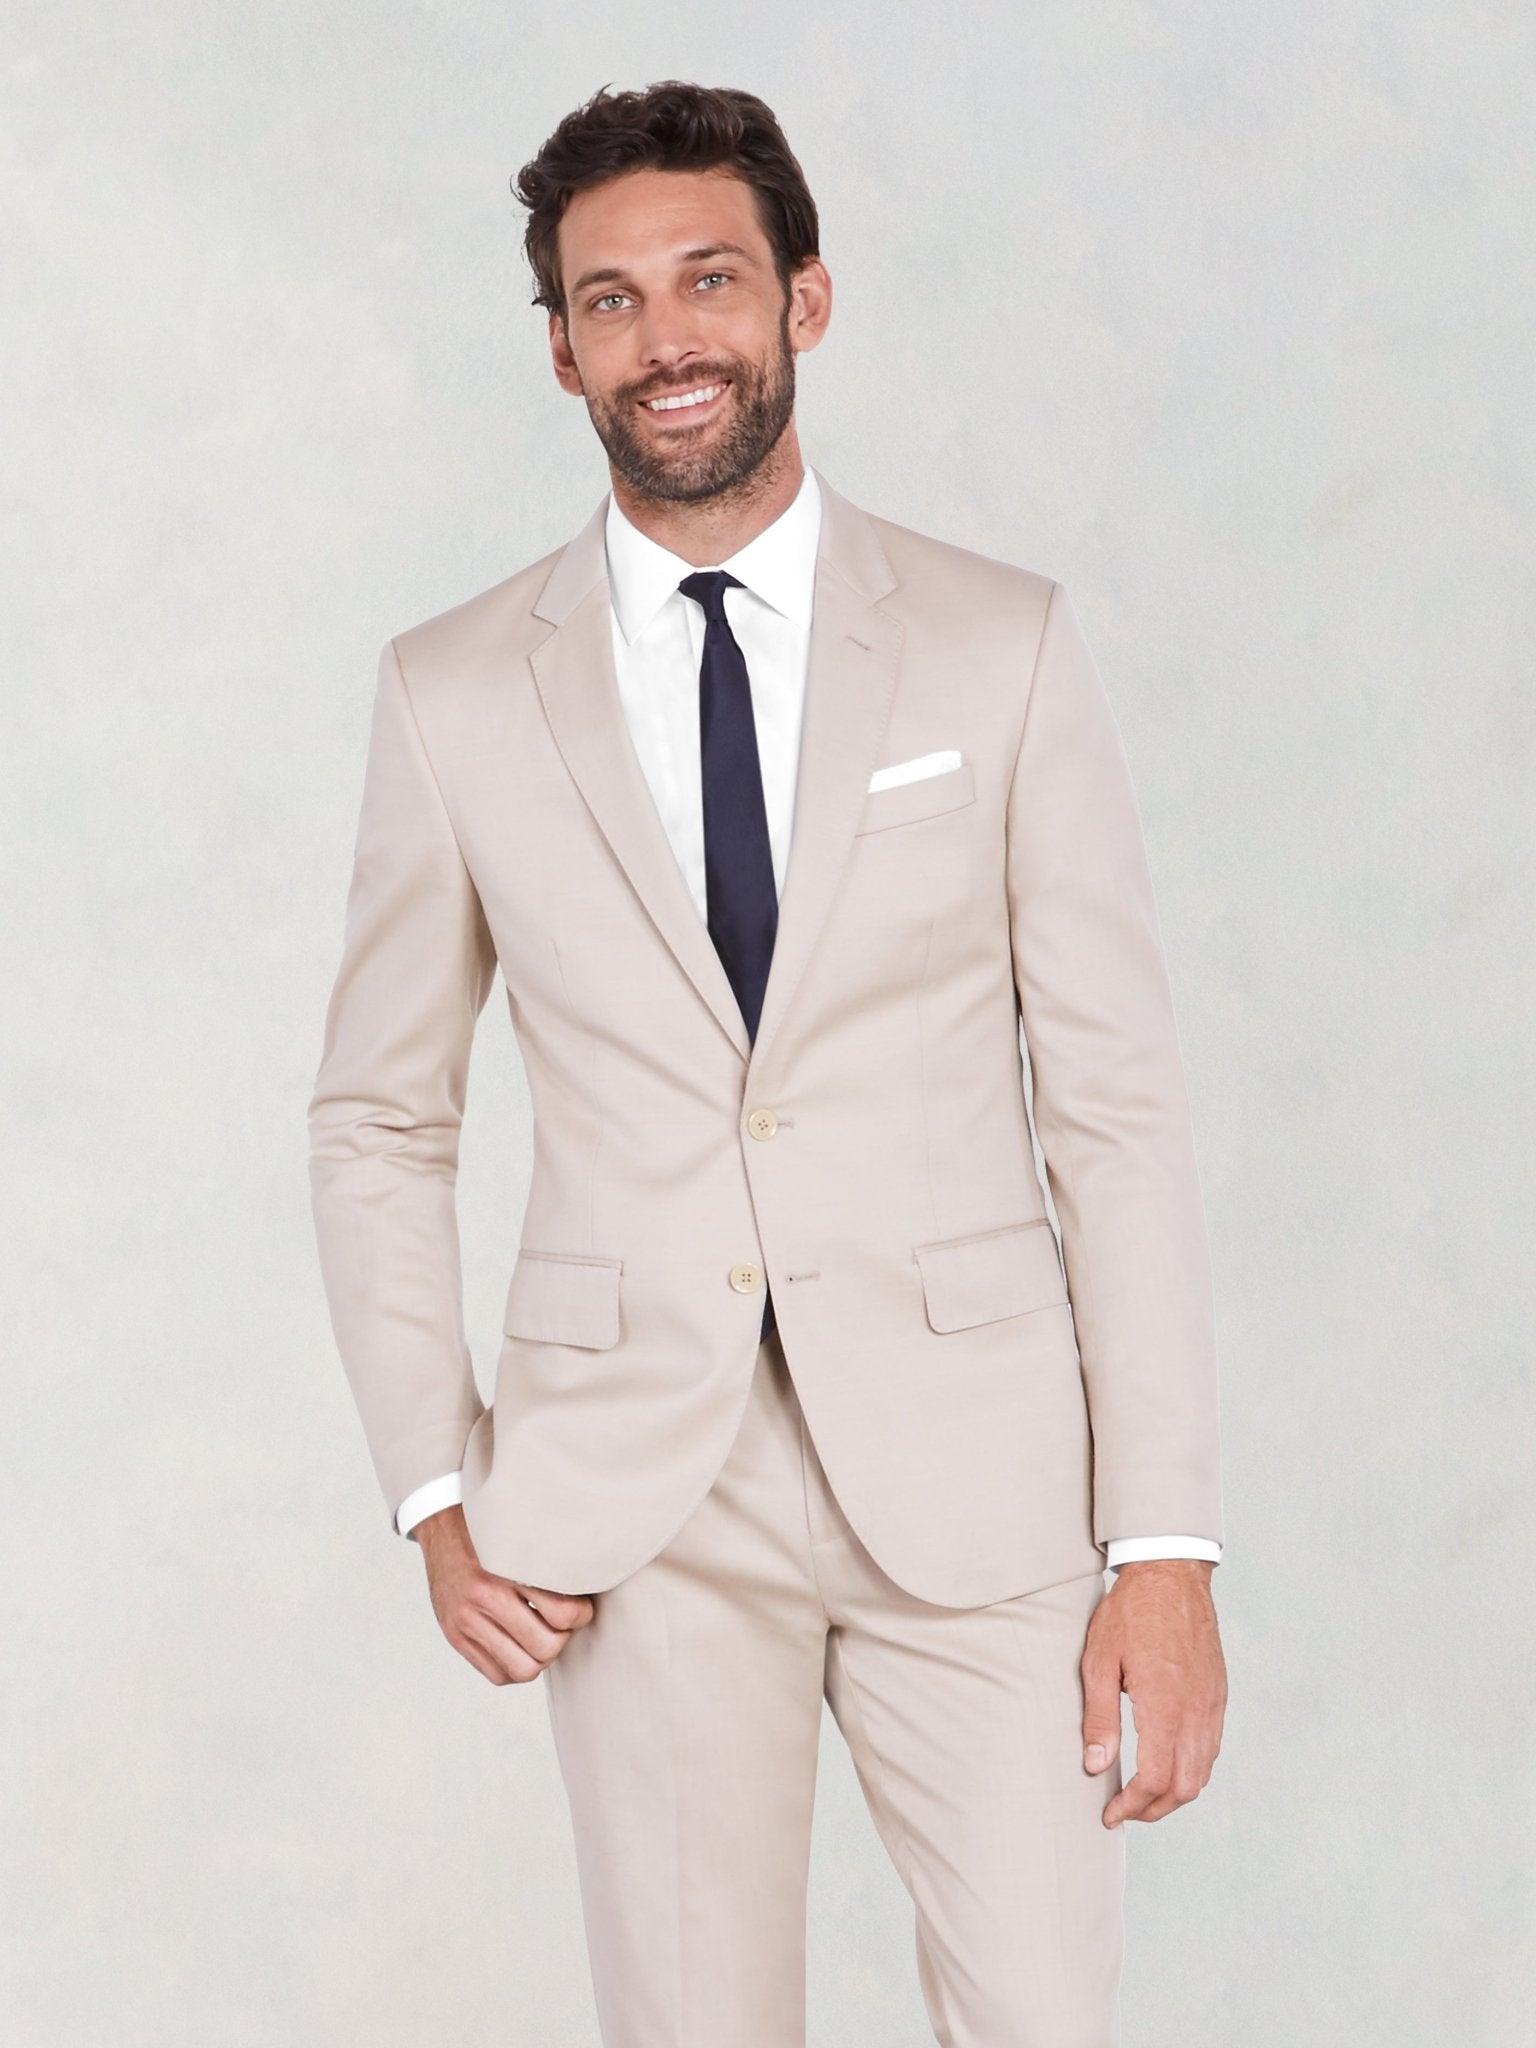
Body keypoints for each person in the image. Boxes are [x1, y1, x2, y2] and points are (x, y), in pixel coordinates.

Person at [307, 78, 1227, 2048]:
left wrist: (1162, 1543)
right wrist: (433, 1485)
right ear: (561, 347)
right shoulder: (454, 689)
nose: (668, 339)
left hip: (980, 1483)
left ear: (806, 300)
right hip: (634, 1499)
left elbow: (1118, 1103)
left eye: (709, 280)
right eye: (613, 301)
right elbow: (381, 1115)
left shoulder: (1000, 648)